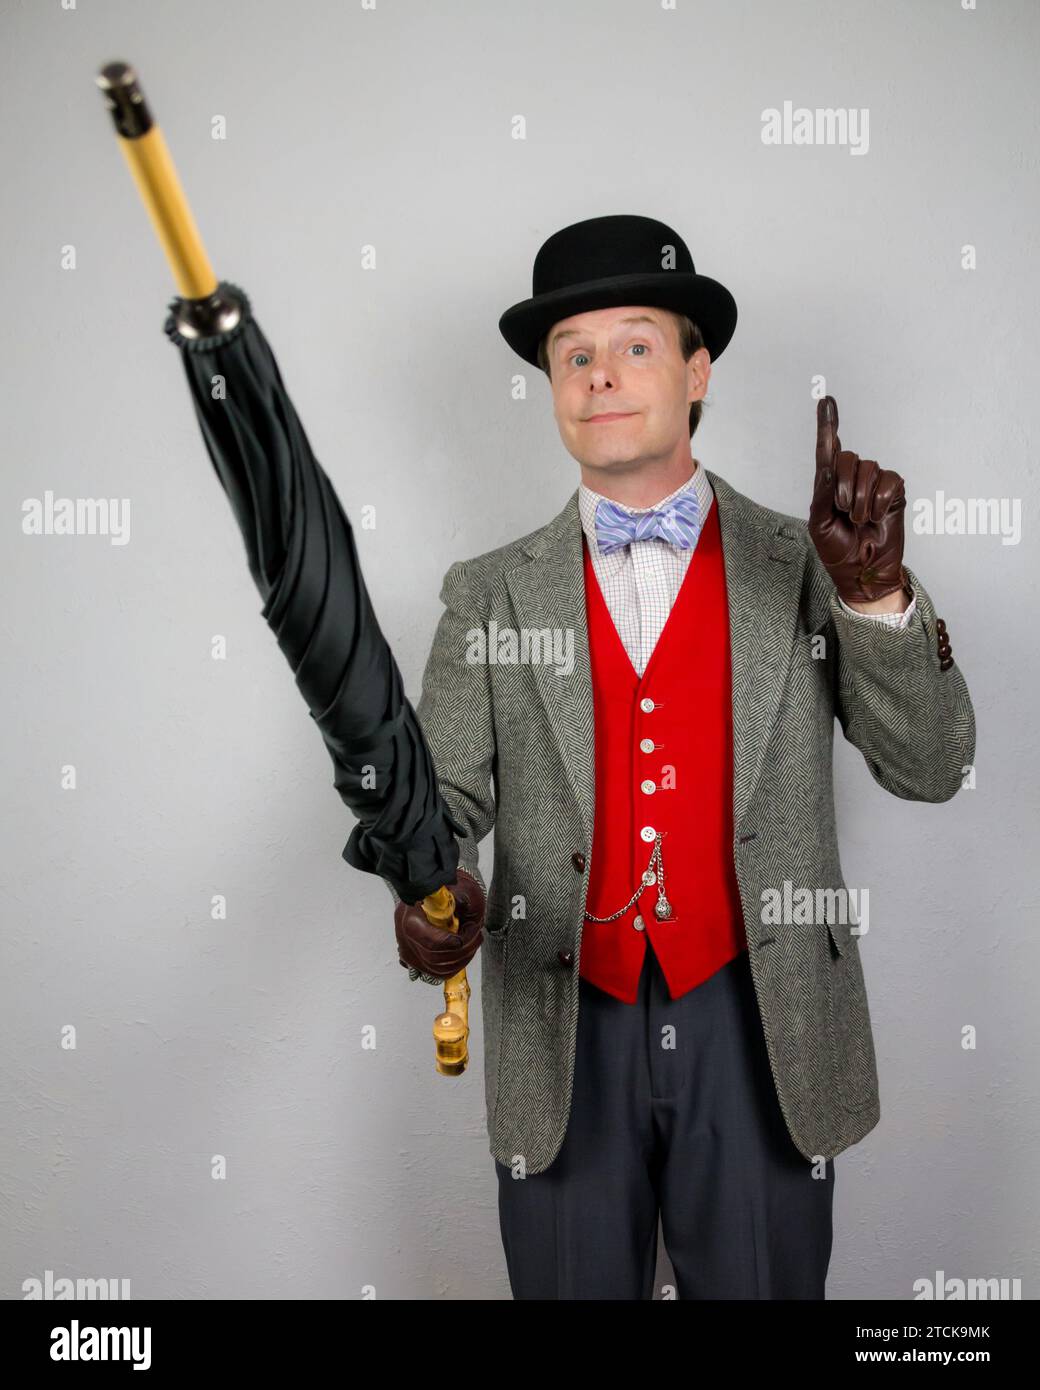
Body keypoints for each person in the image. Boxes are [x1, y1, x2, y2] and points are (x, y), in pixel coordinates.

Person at [389, 214, 975, 1299]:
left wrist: (873, 598)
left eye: (635, 345)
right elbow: (444, 798)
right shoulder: (489, 590)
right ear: (552, 386)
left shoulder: (809, 560)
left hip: (759, 1018)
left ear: (696, 369)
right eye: (574, 355)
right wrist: (430, 888)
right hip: (563, 1021)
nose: (600, 374)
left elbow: (930, 765)